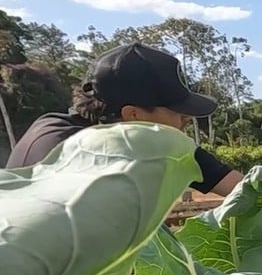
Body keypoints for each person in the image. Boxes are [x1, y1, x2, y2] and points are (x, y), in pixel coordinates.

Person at [6, 42, 244, 197]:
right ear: (133, 115)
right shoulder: (57, 149)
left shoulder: (151, 143)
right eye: (178, 113)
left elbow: (250, 194)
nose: (186, 120)